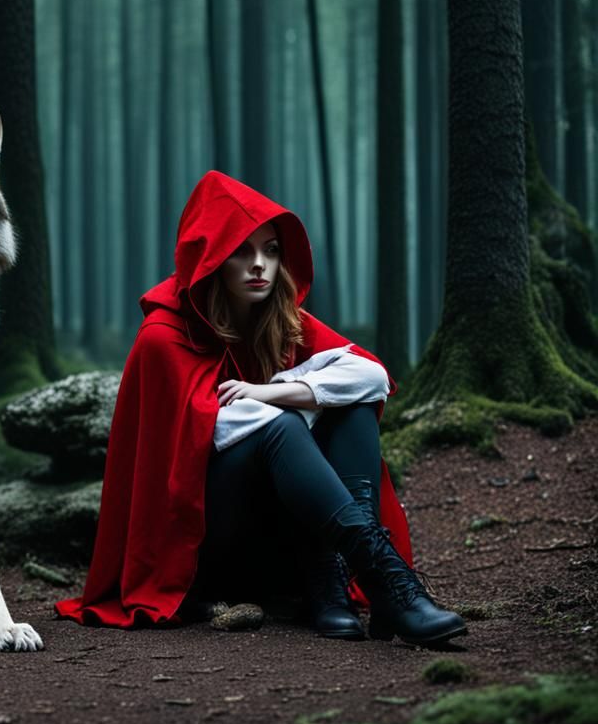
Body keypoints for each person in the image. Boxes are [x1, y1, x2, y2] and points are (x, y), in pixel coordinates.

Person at [55, 171, 467, 646]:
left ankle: (334, 589)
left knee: (347, 408)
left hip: (283, 539)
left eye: (271, 251)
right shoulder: (164, 339)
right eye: (242, 251)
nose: (260, 266)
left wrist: (270, 389)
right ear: (211, 258)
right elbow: (210, 431)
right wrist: (293, 401)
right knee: (283, 426)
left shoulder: (281, 322)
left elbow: (372, 378)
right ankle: (382, 577)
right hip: (200, 552)